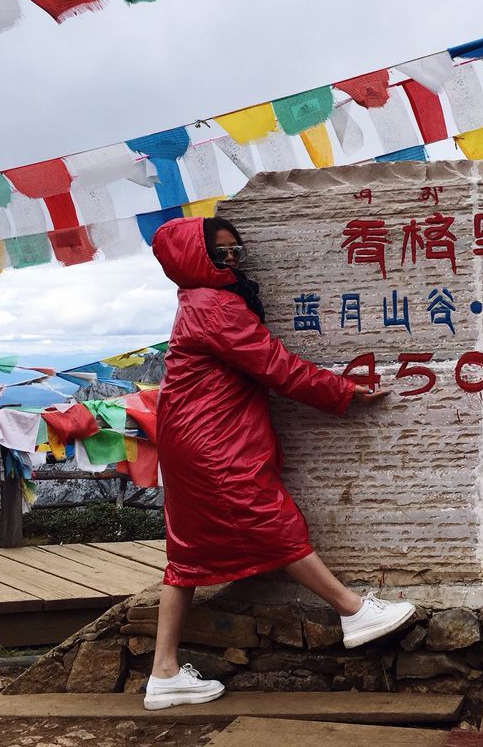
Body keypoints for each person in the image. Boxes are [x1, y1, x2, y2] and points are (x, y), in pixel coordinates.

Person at [143, 216, 415, 710]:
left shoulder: (197, 303)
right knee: (267, 517)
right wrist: (342, 391)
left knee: (186, 554)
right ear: (194, 260)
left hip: (191, 433)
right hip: (211, 437)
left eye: (235, 252)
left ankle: (163, 672)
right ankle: (352, 610)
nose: (231, 261)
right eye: (219, 254)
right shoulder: (213, 305)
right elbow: (275, 366)